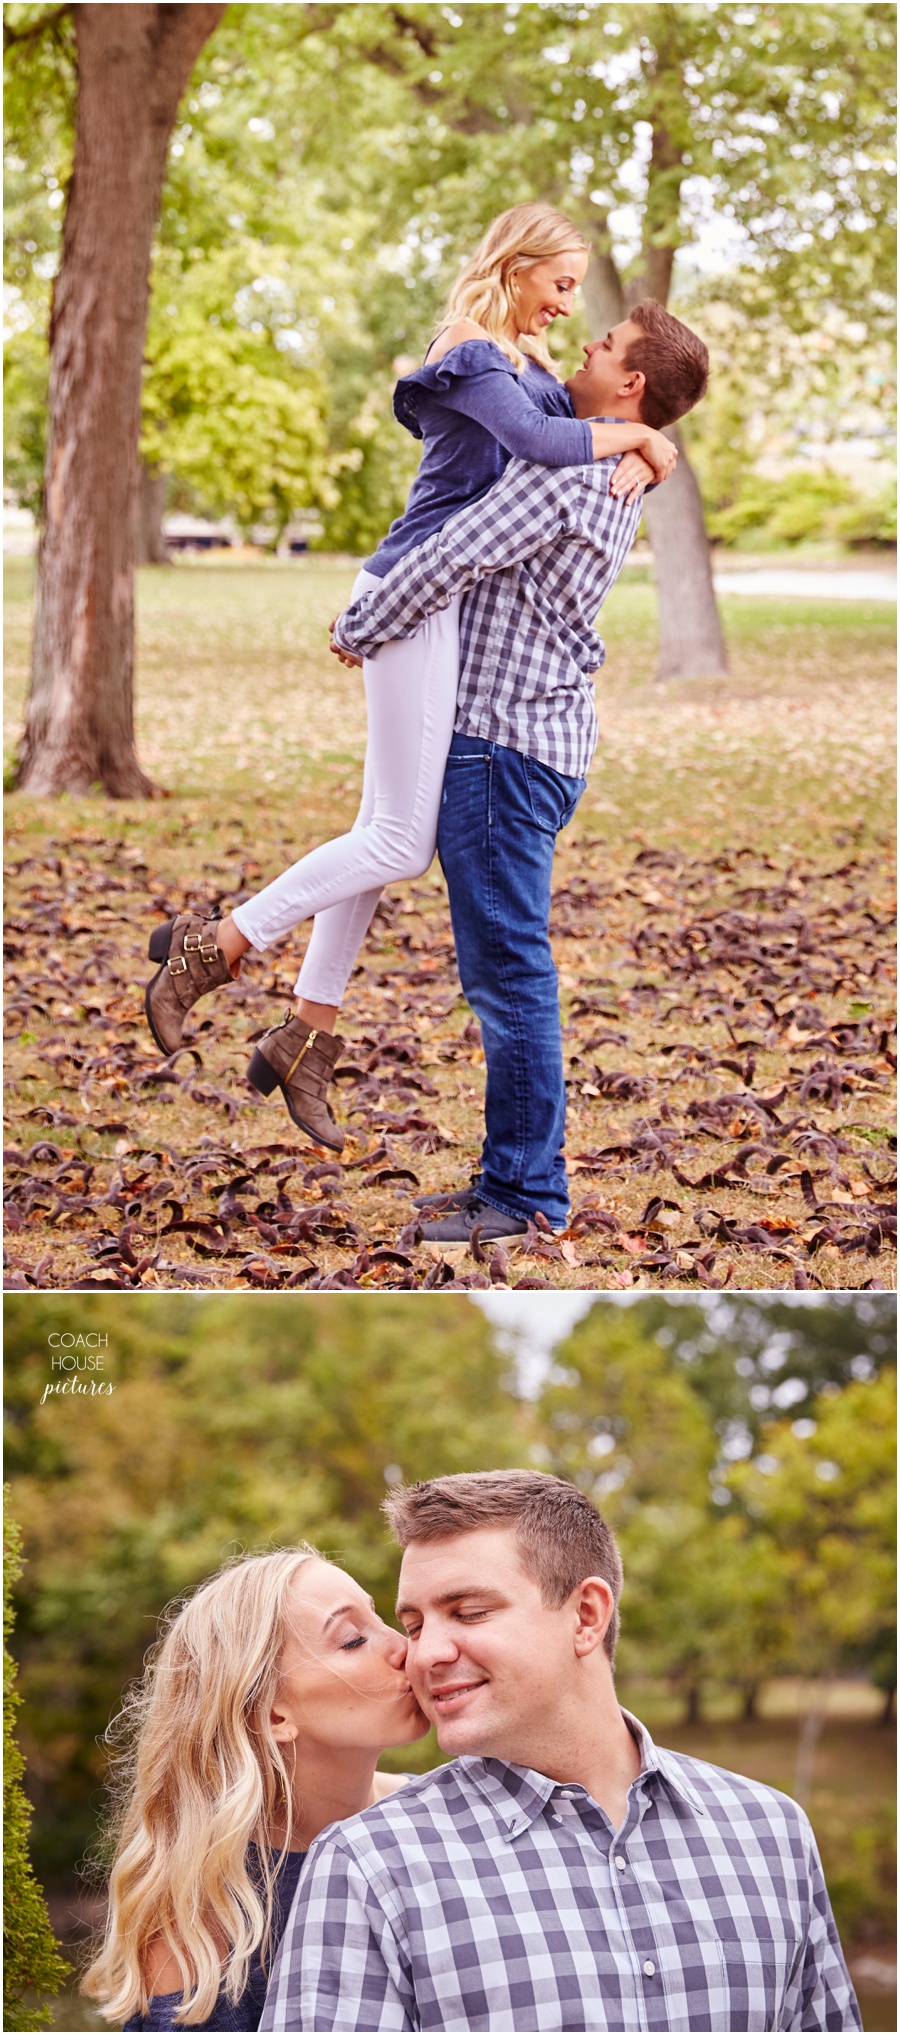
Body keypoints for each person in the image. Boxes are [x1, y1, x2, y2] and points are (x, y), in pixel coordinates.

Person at [142, 204, 676, 1151]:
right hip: (413, 587)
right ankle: (216, 945)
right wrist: (644, 444)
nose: (566, 306)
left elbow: (599, 422)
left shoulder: (536, 369)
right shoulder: (469, 350)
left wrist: (655, 440)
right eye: (559, 284)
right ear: (514, 268)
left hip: (440, 603)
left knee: (383, 829)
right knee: (399, 839)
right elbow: (553, 451)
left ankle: (309, 1031)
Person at [329, 301, 709, 1243]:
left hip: (500, 746)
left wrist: (355, 627)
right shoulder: (607, 463)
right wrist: (653, 448)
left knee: (509, 977)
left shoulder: (570, 475)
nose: (586, 340)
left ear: (632, 386)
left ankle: (527, 1195)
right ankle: (510, 1174)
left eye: (608, 343)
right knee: (507, 971)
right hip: (534, 741)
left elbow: (452, 553)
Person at [261, 1470, 862, 2035]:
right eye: (415, 1625)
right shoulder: (369, 1866)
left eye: (467, 1612)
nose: (424, 1655)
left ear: (586, 1616)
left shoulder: (772, 1833)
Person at [82, 1546, 428, 2031]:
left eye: (384, 1621)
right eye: (353, 1640)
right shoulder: (211, 1916)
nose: (406, 1648)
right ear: (270, 1714)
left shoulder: (443, 1820)